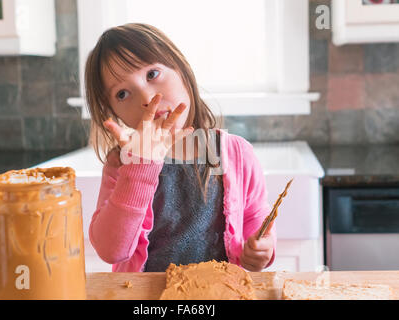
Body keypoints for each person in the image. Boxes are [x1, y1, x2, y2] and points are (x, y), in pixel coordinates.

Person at [85, 23, 276, 272]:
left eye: (152, 74)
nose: (146, 99)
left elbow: (255, 220)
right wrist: (140, 166)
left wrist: (262, 250)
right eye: (122, 93)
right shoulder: (122, 163)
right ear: (113, 112)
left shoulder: (237, 154)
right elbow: (112, 251)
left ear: (182, 69)